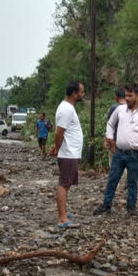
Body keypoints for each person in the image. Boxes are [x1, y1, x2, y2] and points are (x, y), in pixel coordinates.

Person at [94, 83, 138, 216]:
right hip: (119, 152)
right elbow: (110, 124)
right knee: (112, 179)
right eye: (126, 95)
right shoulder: (120, 110)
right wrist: (109, 138)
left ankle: (131, 207)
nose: (127, 98)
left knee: (132, 181)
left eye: (130, 95)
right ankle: (106, 205)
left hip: (134, 154)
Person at [49, 80, 85, 228]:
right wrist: (57, 148)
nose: (83, 94)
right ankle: (62, 218)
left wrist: (57, 146)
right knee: (64, 184)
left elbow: (62, 133)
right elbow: (59, 132)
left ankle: (63, 212)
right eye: (81, 92)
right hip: (68, 153)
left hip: (70, 152)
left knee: (67, 183)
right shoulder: (66, 109)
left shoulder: (68, 107)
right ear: (74, 93)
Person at [102, 87, 126, 167]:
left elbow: (110, 125)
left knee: (114, 165)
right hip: (128, 143)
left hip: (114, 142)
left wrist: (106, 140)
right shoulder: (131, 107)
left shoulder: (114, 107)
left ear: (116, 97)